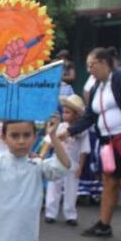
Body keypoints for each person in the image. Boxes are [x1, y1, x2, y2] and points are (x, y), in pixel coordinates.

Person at [62, 47, 121, 241]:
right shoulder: (99, 86)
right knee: (109, 181)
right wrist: (69, 131)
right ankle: (104, 225)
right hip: (110, 142)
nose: (89, 70)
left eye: (92, 65)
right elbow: (90, 116)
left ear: (104, 63)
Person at [44, 95, 90, 226]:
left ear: (76, 115)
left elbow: (83, 150)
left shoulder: (82, 131)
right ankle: (50, 212)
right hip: (56, 162)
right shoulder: (59, 127)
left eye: (68, 112)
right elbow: (48, 142)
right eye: (63, 112)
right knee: (53, 187)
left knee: (71, 189)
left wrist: (81, 167)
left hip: (73, 163)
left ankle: (70, 214)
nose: (65, 115)